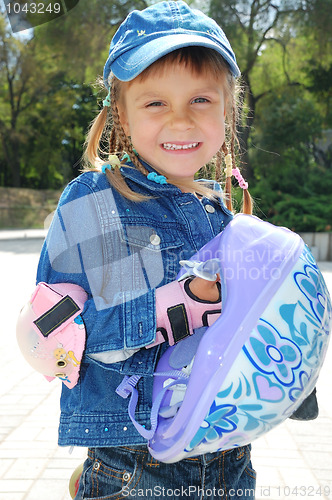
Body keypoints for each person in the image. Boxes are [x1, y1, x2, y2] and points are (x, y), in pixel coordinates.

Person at [36, 1, 256, 498]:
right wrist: (189, 302)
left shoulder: (222, 210)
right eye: (156, 103)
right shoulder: (98, 201)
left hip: (229, 456)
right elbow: (72, 337)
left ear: (228, 109)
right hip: (139, 462)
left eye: (200, 100)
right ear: (121, 112)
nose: (181, 121)